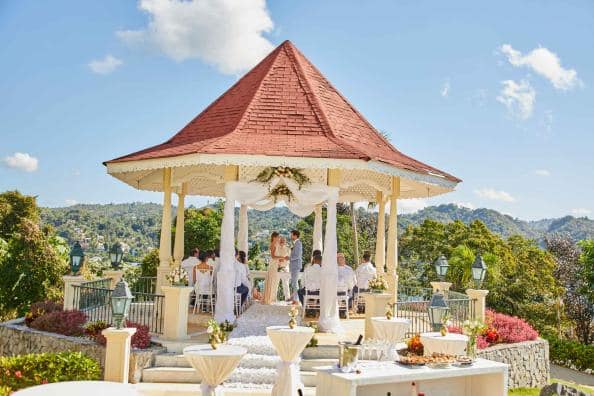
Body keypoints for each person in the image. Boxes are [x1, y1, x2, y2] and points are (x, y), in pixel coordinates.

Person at [263, 232, 285, 304]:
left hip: (275, 264)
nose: (279, 238)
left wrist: (280, 260)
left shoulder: (276, 244)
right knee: (271, 280)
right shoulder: (272, 244)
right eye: (278, 237)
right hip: (272, 264)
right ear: (274, 237)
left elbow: (276, 256)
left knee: (274, 281)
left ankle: (271, 298)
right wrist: (282, 257)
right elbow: (273, 256)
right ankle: (268, 299)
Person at [288, 230, 303, 303]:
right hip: (294, 266)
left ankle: (296, 300)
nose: (290, 236)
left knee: (295, 283)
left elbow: (297, 255)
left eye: (291, 235)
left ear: (295, 235)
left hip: (296, 265)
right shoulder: (296, 243)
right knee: (294, 283)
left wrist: (289, 258)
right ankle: (295, 298)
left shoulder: (298, 243)